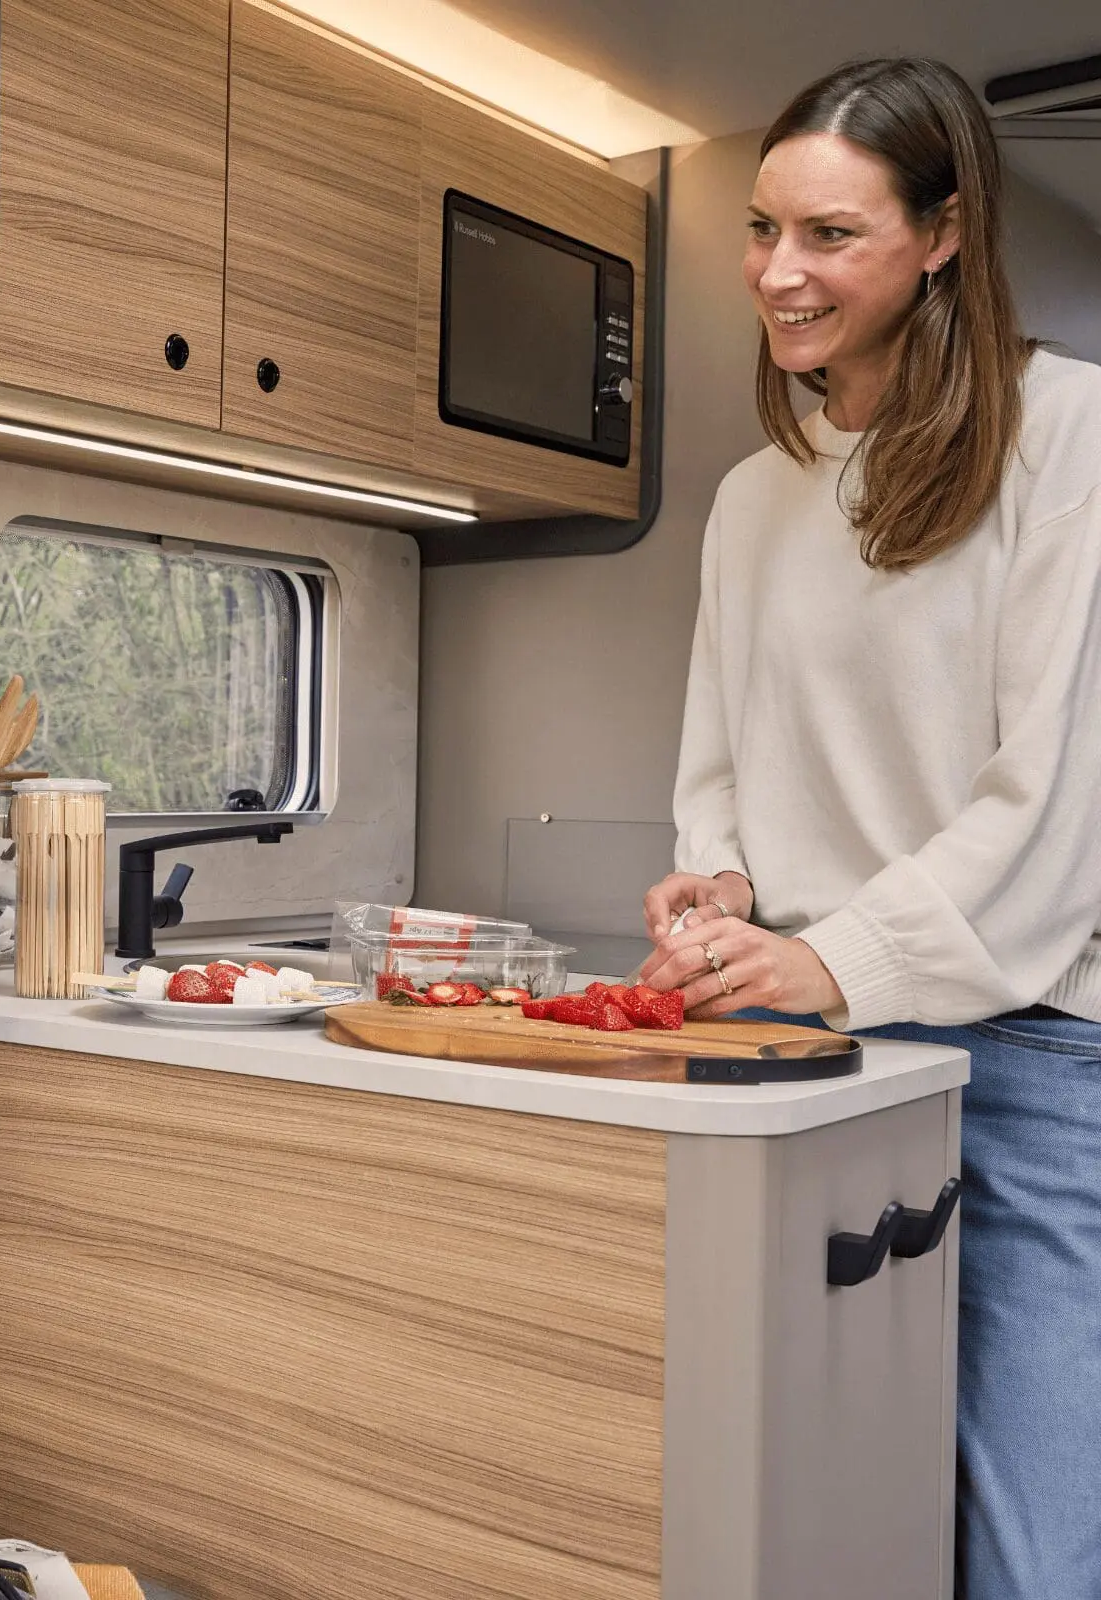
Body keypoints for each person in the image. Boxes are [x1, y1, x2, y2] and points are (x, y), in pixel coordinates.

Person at [634, 59, 1101, 1598]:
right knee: (807, 1520)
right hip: (809, 1056)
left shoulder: (1073, 439)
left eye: (831, 235)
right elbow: (722, 768)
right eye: (764, 229)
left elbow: (1047, 809)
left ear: (943, 235)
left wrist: (826, 955)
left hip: (1029, 1051)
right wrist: (718, 886)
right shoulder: (753, 498)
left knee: (1026, 1553)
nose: (778, 272)